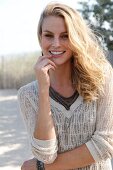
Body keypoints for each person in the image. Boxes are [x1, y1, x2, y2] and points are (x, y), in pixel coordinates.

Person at [18, 2, 113, 170]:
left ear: (76, 38)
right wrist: (43, 89)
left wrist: (40, 168)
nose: (56, 43)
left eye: (65, 35)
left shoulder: (101, 76)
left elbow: (106, 143)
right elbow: (46, 155)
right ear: (40, 38)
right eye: (48, 35)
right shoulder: (27, 94)